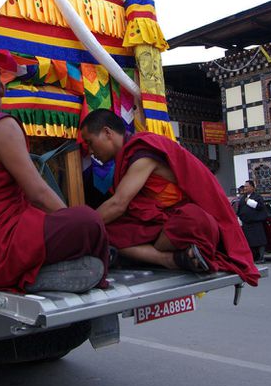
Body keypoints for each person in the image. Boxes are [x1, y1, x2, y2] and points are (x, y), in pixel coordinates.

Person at [0, 62, 110, 294]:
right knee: (89, 220)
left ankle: (41, 270)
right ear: (2, 91)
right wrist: (71, 222)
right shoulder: (1, 127)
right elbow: (37, 193)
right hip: (2, 247)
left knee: (67, 225)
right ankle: (33, 276)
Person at [80, 109, 259, 285]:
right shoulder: (128, 156)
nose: (90, 151)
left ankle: (159, 254)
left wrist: (81, 226)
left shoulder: (141, 153)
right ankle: (169, 258)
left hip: (184, 221)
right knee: (108, 231)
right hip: (162, 222)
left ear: (106, 133)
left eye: (90, 142)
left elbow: (119, 204)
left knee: (193, 218)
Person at [237, 180, 268, 264]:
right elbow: (239, 210)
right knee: (250, 242)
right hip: (246, 224)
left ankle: (261, 258)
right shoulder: (243, 198)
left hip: (256, 223)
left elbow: (260, 207)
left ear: (252, 187)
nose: (245, 188)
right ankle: (253, 258)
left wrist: (249, 202)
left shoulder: (257, 197)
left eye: (247, 186)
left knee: (260, 241)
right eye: (245, 186)